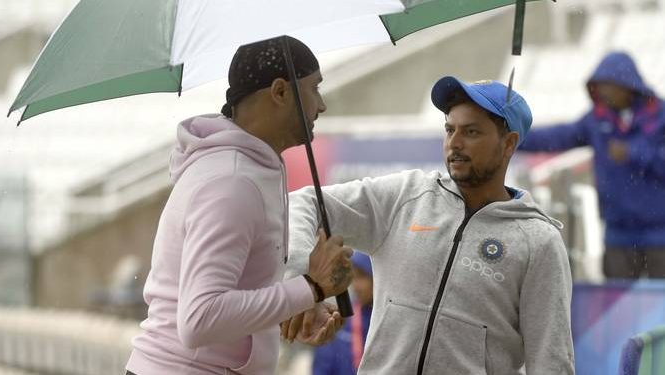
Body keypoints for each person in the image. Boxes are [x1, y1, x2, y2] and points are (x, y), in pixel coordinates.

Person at [282, 77, 575, 374]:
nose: (455, 143)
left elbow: (553, 362)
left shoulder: (538, 241)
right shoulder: (405, 195)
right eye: (450, 130)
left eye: (471, 132)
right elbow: (303, 203)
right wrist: (299, 283)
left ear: (509, 143)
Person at [125, 36, 353, 375]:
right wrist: (311, 287)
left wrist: (297, 305)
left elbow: (236, 296)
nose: (321, 105)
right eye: (314, 88)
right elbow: (201, 319)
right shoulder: (232, 182)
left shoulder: (251, 168)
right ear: (280, 92)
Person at [518, 51, 665, 279]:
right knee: (619, 310)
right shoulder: (596, 120)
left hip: (660, 235)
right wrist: (513, 138)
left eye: (608, 86)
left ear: (628, 84)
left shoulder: (661, 116)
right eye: (599, 86)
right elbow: (559, 136)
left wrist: (633, 153)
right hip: (617, 235)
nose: (603, 93)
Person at [313, 253, 373, 375]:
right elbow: (322, 365)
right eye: (353, 277)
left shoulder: (390, 323)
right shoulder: (342, 318)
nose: (356, 286)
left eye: (362, 276)